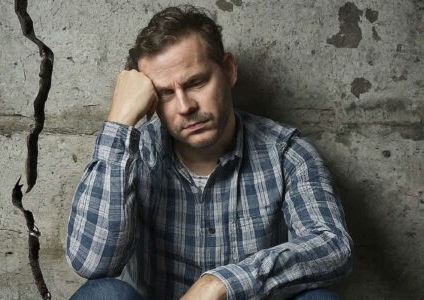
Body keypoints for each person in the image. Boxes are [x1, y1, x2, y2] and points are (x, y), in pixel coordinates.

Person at [66, 5, 352, 300]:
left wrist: (222, 283)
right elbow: (92, 264)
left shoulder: (285, 152)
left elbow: (331, 246)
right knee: (102, 294)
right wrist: (119, 121)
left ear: (228, 70)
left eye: (196, 82)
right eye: (165, 93)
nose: (185, 106)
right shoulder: (134, 154)